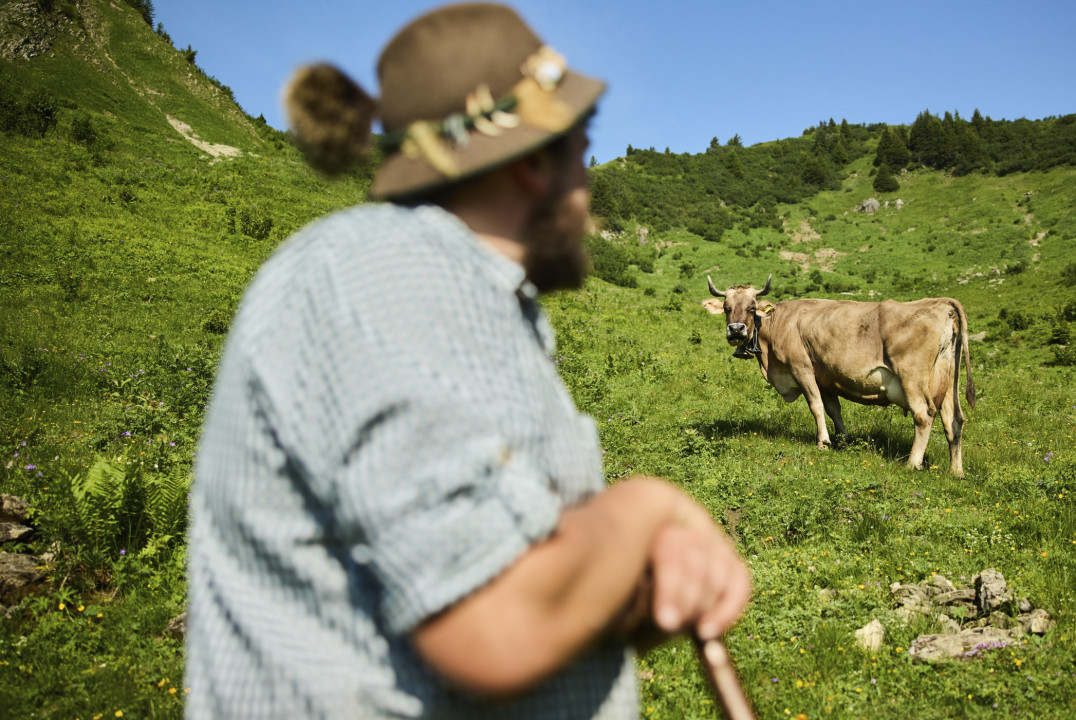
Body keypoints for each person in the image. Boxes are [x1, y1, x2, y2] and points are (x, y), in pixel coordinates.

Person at [184, 3, 752, 718]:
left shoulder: (472, 305)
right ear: (534, 160)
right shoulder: (388, 274)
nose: (589, 176)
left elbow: (530, 586)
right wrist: (647, 508)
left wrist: (633, 581)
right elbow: (494, 626)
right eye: (582, 142)